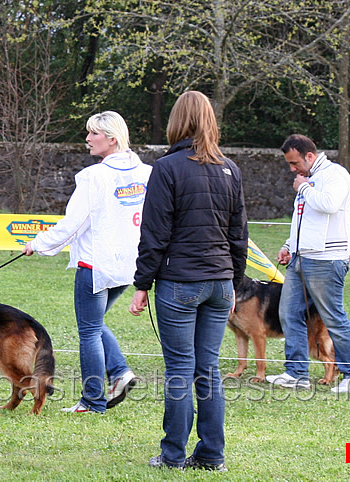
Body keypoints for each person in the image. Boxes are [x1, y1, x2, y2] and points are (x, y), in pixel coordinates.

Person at [129, 91, 248, 471]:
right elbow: (239, 236)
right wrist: (233, 284)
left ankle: (173, 455)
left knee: (181, 369)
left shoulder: (167, 168)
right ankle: (212, 455)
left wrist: (142, 283)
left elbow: (154, 233)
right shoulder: (230, 169)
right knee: (208, 369)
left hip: (180, 282)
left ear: (177, 122)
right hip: (219, 282)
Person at [22, 111, 152, 414]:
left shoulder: (94, 177)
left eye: (93, 133)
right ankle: (120, 372)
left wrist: (37, 244)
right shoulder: (146, 172)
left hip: (97, 265)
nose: (87, 139)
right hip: (129, 265)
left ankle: (93, 399)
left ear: (112, 138)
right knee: (94, 324)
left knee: (89, 331)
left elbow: (72, 225)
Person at [266, 134, 350, 393]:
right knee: (288, 313)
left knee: (332, 316)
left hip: (326, 259)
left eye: (294, 162)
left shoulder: (335, 175)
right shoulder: (308, 181)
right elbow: (303, 219)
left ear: (309, 156)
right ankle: (296, 372)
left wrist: (303, 188)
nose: (292, 169)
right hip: (301, 258)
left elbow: (329, 205)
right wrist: (289, 246)